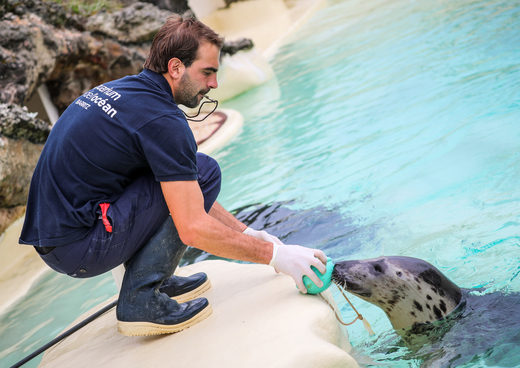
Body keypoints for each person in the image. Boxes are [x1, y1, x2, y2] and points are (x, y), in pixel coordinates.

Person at [19, 15, 327, 337]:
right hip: (79, 247)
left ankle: (156, 277)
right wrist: (277, 256)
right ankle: (140, 297)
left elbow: (180, 189)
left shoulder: (124, 92)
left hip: (59, 240)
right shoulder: (162, 121)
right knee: (205, 170)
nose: (213, 84)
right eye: (207, 72)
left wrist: (248, 231)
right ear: (176, 67)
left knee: (191, 173)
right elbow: (192, 227)